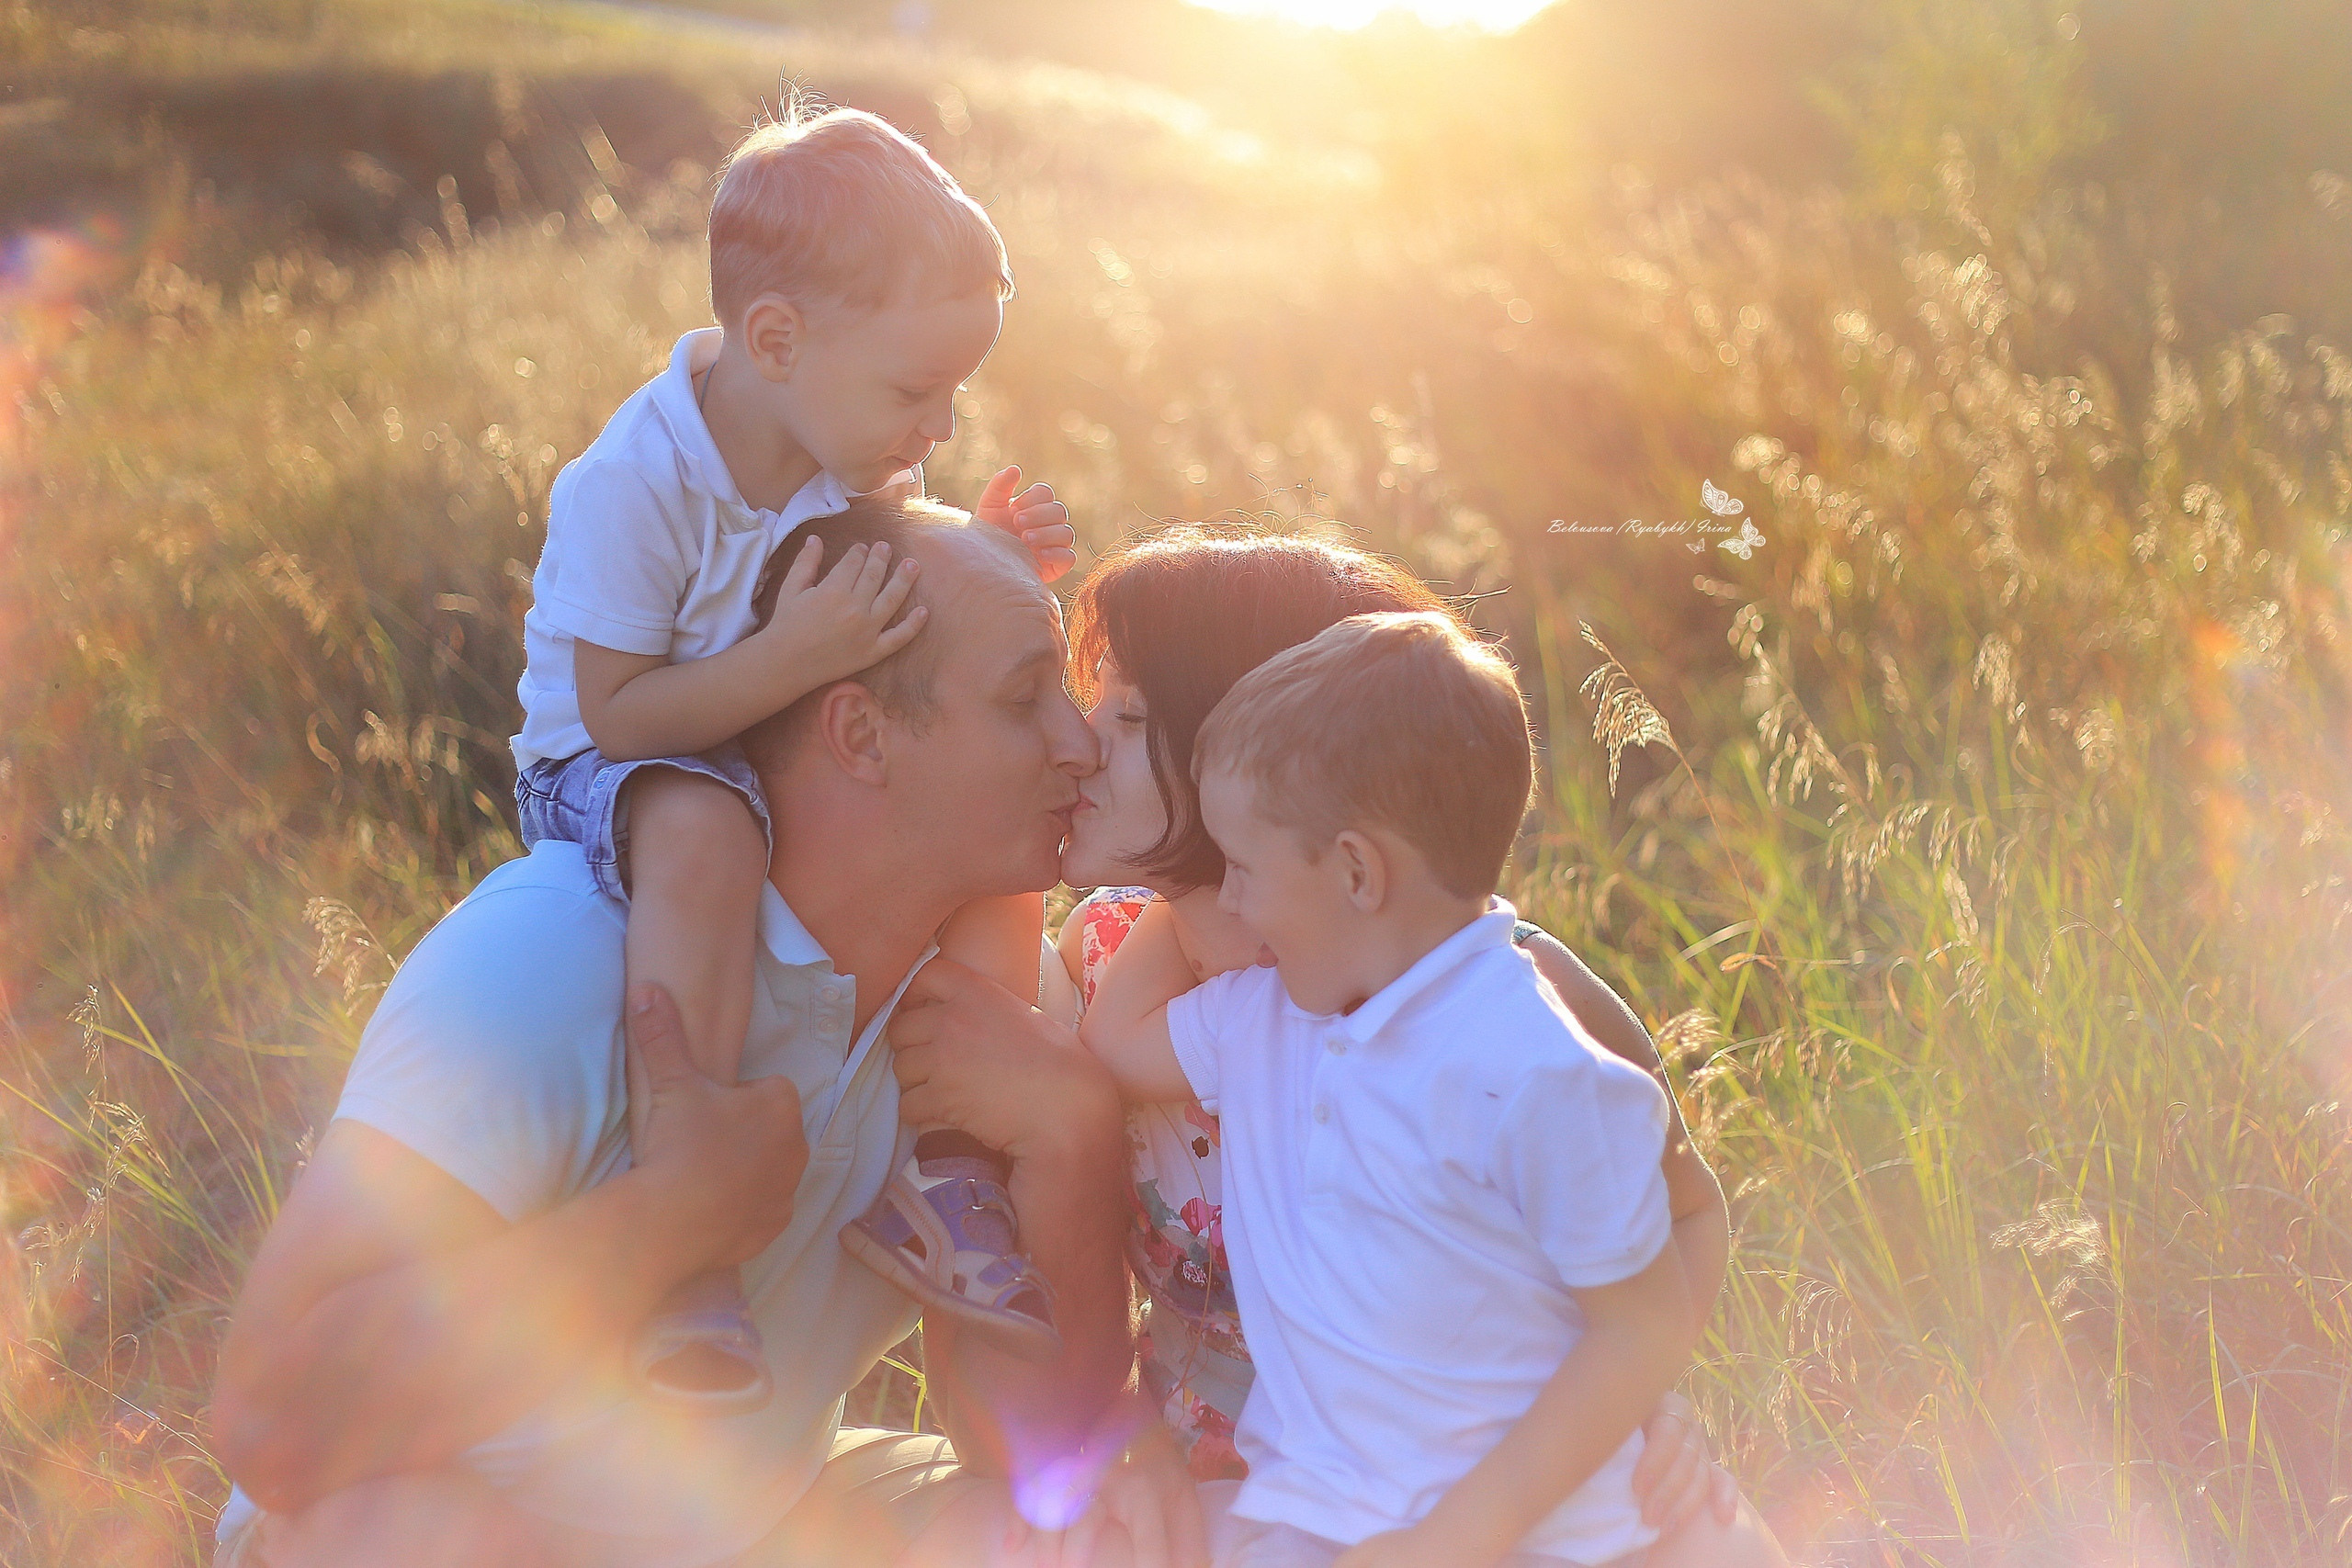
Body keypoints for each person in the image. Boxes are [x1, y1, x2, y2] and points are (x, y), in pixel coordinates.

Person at [207, 500, 1183, 1568]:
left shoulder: (1000, 1007)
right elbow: (275, 1429)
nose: (1078, 743)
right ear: (859, 734)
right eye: (1021, 698)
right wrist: (665, 1221)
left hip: (749, 1523)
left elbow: (1035, 1449)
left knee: (1096, 1536)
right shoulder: (557, 959)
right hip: (438, 1518)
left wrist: (1073, 1130)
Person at [891, 524, 1778, 1563]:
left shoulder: (1480, 990)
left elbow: (1682, 1214)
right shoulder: (1099, 968)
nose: (1082, 742)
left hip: (1490, 1478)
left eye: (1128, 715)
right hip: (1257, 1502)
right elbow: (1025, 1348)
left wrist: (1639, 1396)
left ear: (1269, 751)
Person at [510, 106, 1075, 1398]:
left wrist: (984, 542)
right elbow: (618, 714)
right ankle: (688, 1213)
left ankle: (949, 1161)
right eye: (913, 388)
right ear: (776, 340)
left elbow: (904, 554)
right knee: (706, 828)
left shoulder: (835, 448)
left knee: (988, 844)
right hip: (609, 766)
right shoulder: (635, 479)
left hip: (747, 728)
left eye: (956, 392)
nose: (936, 424)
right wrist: (794, 661)